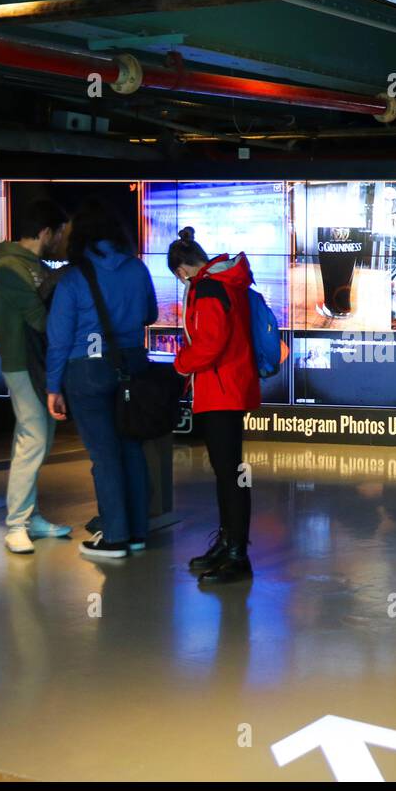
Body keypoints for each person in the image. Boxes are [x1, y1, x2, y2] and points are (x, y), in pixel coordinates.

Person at [46, 200, 157, 561]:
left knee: (104, 455)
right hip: (133, 367)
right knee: (131, 449)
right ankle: (138, 533)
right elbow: (150, 314)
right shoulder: (138, 269)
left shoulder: (74, 278)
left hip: (88, 371)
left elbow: (60, 339)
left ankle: (115, 538)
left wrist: (53, 387)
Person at [168, 230, 261, 585]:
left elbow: (209, 344)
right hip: (230, 388)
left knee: (229, 474)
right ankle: (228, 545)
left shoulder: (207, 289)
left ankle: (237, 554)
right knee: (229, 472)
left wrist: (180, 364)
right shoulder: (226, 282)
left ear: (181, 270)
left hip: (220, 390)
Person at [0, 198, 71, 554]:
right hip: (22, 364)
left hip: (37, 364)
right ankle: (17, 524)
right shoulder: (9, 269)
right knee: (33, 439)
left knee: (37, 438)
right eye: (60, 234)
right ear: (45, 232)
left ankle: (30, 517)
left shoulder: (32, 266)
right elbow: (39, 319)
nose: (62, 242)